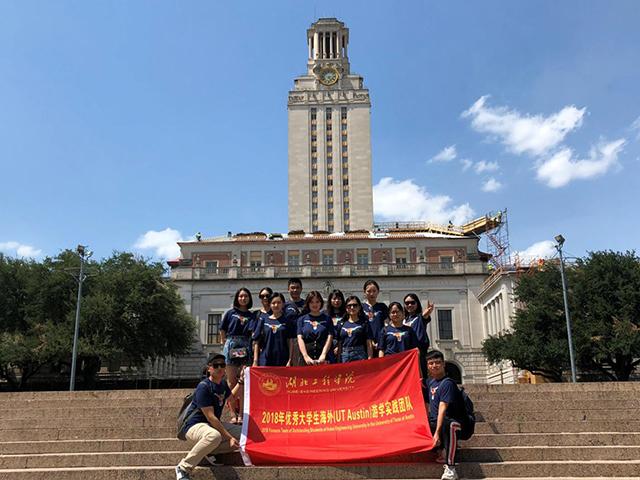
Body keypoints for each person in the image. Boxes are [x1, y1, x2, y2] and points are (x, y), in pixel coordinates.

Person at [175, 354, 242, 480]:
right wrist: (230, 437)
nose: (220, 368)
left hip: (211, 426)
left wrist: (241, 381)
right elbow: (211, 417)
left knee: (245, 433)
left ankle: (208, 450)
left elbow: (232, 399)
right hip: (194, 427)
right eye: (216, 365)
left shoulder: (222, 384)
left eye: (222, 365)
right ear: (209, 368)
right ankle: (183, 468)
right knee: (214, 436)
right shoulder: (204, 387)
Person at [423, 350, 473, 480]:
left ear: (444, 364)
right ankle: (441, 450)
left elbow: (442, 408)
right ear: (427, 366)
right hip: (438, 422)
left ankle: (451, 468)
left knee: (448, 425)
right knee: (421, 424)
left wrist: (437, 433)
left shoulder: (448, 383)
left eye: (438, 362)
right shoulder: (430, 382)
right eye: (431, 363)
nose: (434, 366)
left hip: (460, 424)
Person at [219, 287, 254, 423]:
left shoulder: (252, 316)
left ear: (249, 298)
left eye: (246, 296)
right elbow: (222, 329)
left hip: (246, 345)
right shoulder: (230, 313)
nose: (243, 298)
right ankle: (233, 413)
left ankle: (243, 413)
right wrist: (224, 343)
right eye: (240, 296)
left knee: (244, 381)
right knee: (231, 381)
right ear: (237, 298)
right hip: (232, 344)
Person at [252, 292, 294, 366]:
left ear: (283, 304)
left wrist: (290, 359)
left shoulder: (287, 321)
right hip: (265, 359)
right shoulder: (263, 320)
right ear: (270, 304)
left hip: (282, 359)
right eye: (273, 303)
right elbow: (256, 341)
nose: (276, 305)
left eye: (279, 303)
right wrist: (255, 360)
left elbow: (290, 341)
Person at [297, 291, 335, 365]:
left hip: (324, 358)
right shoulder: (301, 319)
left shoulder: (327, 319)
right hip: (307, 359)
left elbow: (329, 337)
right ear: (308, 303)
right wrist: (306, 356)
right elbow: (300, 338)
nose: (315, 304)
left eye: (317, 302)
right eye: (311, 302)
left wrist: (323, 355)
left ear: (321, 303)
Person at [403, 293, 435, 376]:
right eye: (407, 303)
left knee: (420, 377)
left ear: (417, 303)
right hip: (406, 354)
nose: (409, 305)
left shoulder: (419, 317)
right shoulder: (403, 320)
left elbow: (425, 316)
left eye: (412, 302)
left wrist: (428, 311)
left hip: (419, 353)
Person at [336, 295, 373, 362]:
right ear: (346, 308)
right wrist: (338, 361)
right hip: (345, 355)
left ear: (359, 307)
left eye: (355, 305)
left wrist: (369, 359)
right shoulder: (341, 323)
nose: (352, 307)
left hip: (360, 354)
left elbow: (369, 343)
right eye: (349, 306)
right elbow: (339, 343)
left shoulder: (364, 323)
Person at [361, 280, 388, 355]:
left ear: (378, 292)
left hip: (380, 343)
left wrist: (381, 341)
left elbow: (386, 325)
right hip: (364, 343)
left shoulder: (382, 307)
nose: (371, 294)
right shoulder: (361, 307)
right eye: (368, 291)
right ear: (364, 292)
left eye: (374, 291)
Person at [284, 278, 305, 365]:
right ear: (288, 289)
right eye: (292, 288)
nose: (295, 290)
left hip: (304, 340)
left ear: (301, 289)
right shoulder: (284, 305)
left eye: (297, 287)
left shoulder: (306, 304)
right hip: (290, 340)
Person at [326, 289, 346, 359]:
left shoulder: (346, 315)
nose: (336, 301)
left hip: (343, 346)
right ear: (330, 300)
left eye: (339, 299)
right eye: (334, 299)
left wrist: (339, 347)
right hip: (328, 347)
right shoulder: (325, 314)